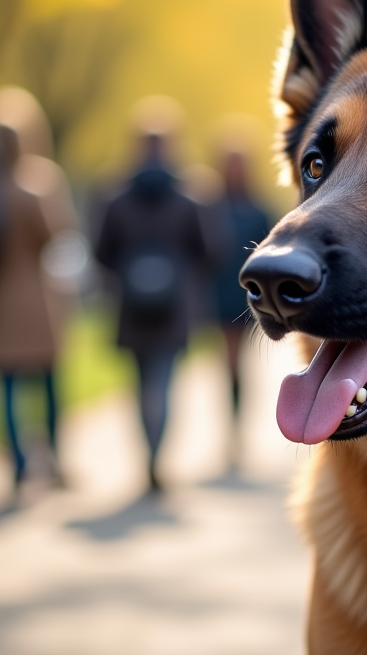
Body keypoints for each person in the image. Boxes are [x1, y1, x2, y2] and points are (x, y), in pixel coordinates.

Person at [94, 96, 212, 492]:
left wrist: (131, 274)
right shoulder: (188, 197)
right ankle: (157, 460)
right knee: (162, 384)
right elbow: (209, 251)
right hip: (173, 307)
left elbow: (101, 253)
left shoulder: (116, 197)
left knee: (140, 384)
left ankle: (147, 456)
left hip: (131, 305)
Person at [0, 87, 78, 488]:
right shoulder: (39, 181)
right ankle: (51, 459)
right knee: (50, 382)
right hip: (38, 296)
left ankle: (17, 462)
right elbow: (57, 232)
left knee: (7, 386)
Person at [213, 149, 270, 457]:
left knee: (239, 364)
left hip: (248, 295)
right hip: (220, 293)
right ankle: (231, 429)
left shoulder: (258, 209)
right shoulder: (212, 206)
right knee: (229, 363)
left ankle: (237, 429)